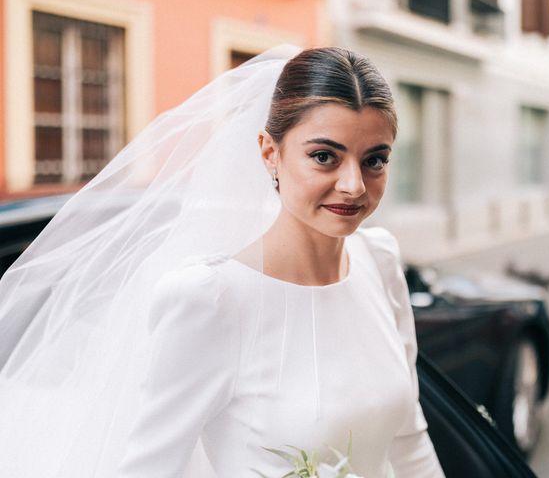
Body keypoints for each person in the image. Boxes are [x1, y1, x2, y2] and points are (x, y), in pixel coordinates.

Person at [0, 45, 444, 477]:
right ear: (271, 152)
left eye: (375, 160)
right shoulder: (212, 299)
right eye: (324, 156)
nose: (353, 185)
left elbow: (409, 440)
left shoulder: (380, 261)